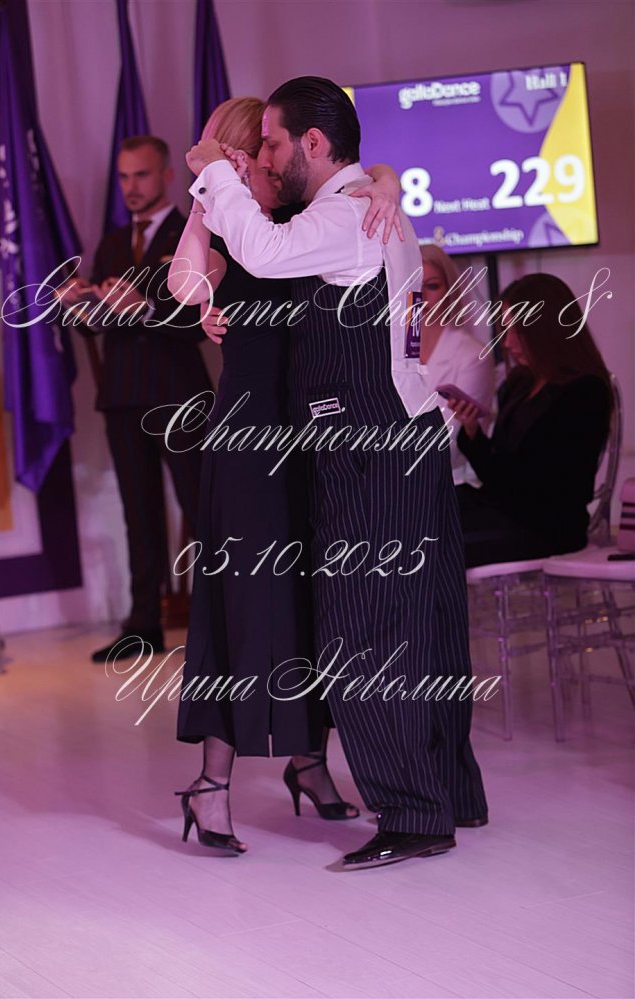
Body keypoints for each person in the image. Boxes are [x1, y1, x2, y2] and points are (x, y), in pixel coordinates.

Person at [187, 76, 487, 871]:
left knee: (368, 631)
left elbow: (262, 249)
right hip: (408, 437)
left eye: (274, 144)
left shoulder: (347, 214)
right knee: (427, 626)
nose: (266, 157)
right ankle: (450, 790)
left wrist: (211, 169)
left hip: (369, 447)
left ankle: (414, 813)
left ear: (314, 145)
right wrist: (384, 176)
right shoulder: (371, 204)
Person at [170, 98, 402, 854]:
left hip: (311, 437)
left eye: (265, 149)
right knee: (242, 605)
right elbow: (183, 285)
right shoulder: (230, 224)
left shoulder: (305, 218)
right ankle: (211, 785)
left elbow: (360, 182)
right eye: (256, 149)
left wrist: (388, 179)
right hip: (246, 443)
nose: (267, 159)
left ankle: (309, 761)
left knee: (314, 603)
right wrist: (205, 203)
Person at [59, 136, 212, 661]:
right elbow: (98, 327)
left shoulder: (190, 233)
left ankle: (220, 618)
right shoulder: (111, 244)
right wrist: (78, 306)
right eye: (124, 177)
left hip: (178, 393)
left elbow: (199, 322)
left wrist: (145, 309)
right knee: (138, 513)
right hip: (124, 395)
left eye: (141, 175)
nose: (131, 187)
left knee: (201, 507)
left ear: (167, 175)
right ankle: (143, 624)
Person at [450, 273, 613, 568]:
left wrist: (484, 455)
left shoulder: (585, 392)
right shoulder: (521, 381)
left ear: (546, 329)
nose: (508, 343)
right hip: (505, 508)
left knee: (435, 539)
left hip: (546, 527)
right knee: (423, 510)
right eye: (505, 330)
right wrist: (473, 432)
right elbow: (501, 470)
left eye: (518, 331)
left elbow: (540, 486)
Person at [419, 245, 495, 484]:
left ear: (450, 290)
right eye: (412, 286)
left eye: (432, 286)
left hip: (454, 485)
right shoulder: (390, 351)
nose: (421, 296)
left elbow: (456, 444)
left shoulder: (473, 355)